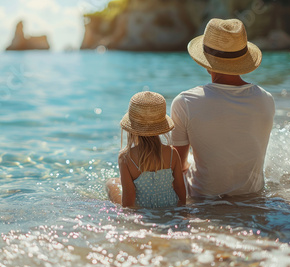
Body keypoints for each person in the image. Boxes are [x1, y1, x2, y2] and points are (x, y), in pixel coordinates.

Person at [171, 18, 275, 197]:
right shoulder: (266, 99)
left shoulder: (185, 101)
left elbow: (177, 168)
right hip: (252, 195)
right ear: (243, 58)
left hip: (203, 199)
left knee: (114, 184)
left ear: (206, 61)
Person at [106, 91, 186, 208]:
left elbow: (128, 200)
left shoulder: (126, 158)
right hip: (170, 208)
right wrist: (181, 213)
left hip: (145, 213)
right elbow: (180, 190)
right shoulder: (172, 153)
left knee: (111, 183)